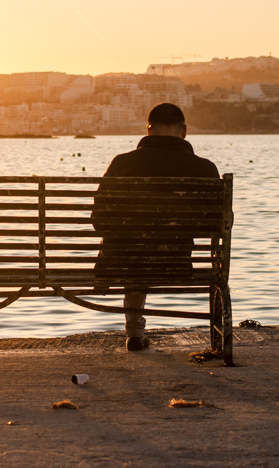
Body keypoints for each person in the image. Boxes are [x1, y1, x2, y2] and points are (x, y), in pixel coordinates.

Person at [91, 103, 219, 351]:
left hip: (122, 263)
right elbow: (216, 224)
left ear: (149, 130)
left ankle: (134, 333)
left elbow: (99, 220)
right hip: (175, 264)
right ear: (184, 131)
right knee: (140, 248)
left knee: (130, 249)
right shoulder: (204, 168)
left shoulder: (122, 164)